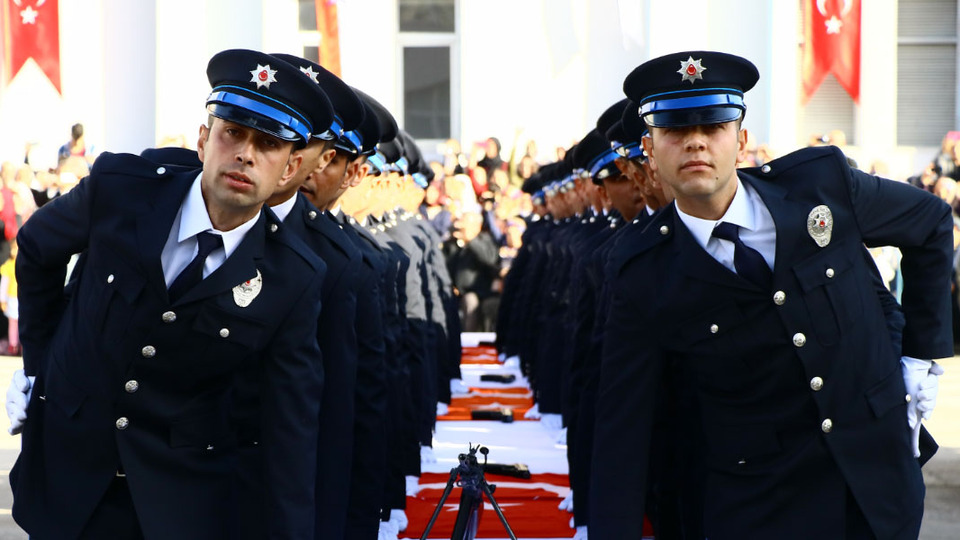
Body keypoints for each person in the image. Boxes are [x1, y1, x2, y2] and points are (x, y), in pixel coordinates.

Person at [590, 50, 951, 539]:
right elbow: (623, 429)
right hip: (759, 509)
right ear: (649, 152)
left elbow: (930, 223)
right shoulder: (642, 269)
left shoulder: (819, 187)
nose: (695, 141)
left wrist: (919, 355)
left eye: (713, 125)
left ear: (740, 141)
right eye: (674, 130)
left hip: (877, 492)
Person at [7, 48, 333, 540]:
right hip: (66, 483)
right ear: (203, 140)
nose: (245, 154)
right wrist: (41, 365)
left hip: (179, 507)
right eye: (232, 133)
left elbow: (290, 430)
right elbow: (35, 248)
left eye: (268, 144)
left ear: (289, 170)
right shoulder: (122, 190)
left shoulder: (293, 276)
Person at [0, 240, 19, 356]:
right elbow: (4, 285)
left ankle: (21, 344)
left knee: (23, 323)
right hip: (12, 298)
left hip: (23, 298)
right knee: (13, 323)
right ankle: (13, 344)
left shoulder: (27, 264)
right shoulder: (9, 266)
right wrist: (2, 300)